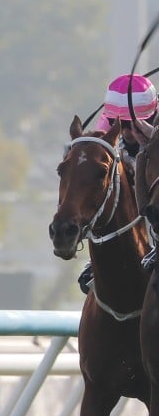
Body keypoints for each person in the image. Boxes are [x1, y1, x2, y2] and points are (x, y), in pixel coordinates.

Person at [78, 73, 159, 294]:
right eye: (119, 124)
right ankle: (97, 260)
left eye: (132, 124)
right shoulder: (108, 125)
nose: (126, 132)